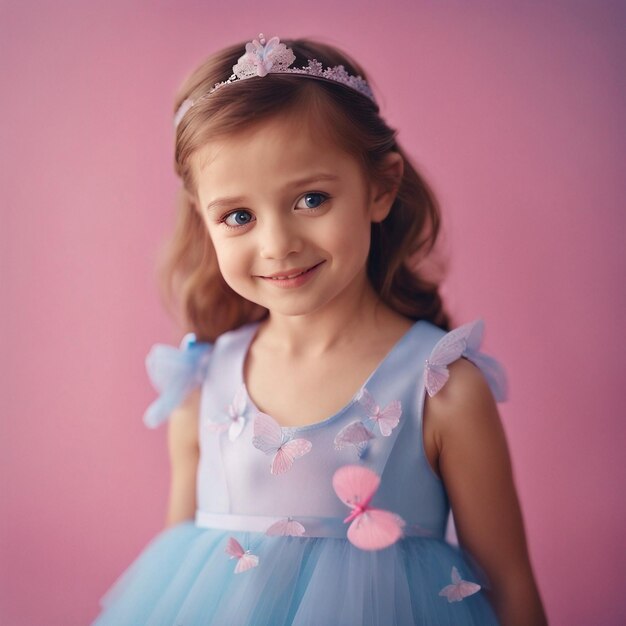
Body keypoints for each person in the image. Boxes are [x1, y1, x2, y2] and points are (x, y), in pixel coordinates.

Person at [92, 33, 547, 626]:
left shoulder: (443, 391)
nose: (278, 244)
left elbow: (509, 586)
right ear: (204, 220)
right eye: (239, 216)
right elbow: (178, 573)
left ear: (380, 188)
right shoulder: (203, 385)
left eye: (311, 199)